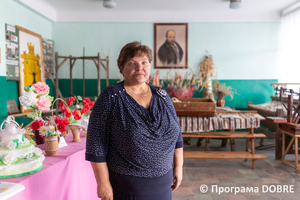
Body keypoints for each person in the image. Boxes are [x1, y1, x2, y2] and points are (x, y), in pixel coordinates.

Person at [86, 41, 183, 200]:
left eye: (144, 62)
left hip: (163, 183)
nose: (140, 68)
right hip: (127, 186)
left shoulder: (162, 95)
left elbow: (177, 135)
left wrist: (178, 167)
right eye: (132, 63)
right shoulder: (111, 97)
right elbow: (95, 143)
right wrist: (102, 182)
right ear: (122, 68)